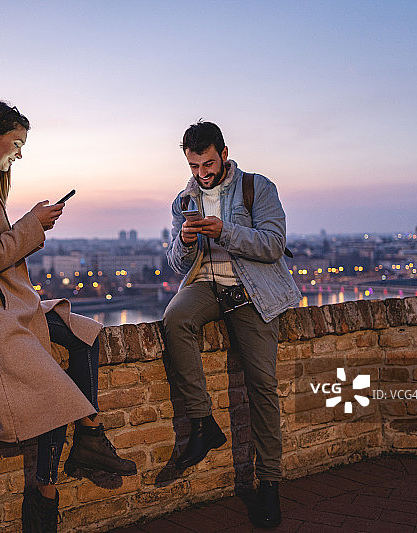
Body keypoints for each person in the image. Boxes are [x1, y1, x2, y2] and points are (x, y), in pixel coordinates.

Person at [0, 101, 136, 533]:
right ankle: (45, 497)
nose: (19, 154)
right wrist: (32, 223)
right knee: (53, 395)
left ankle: (91, 438)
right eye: (17, 143)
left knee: (85, 335)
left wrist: (30, 225)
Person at [162, 120, 301, 528]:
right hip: (207, 285)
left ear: (224, 154)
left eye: (208, 164)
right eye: (194, 167)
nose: (202, 174)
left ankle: (269, 484)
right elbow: (175, 262)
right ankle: (203, 423)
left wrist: (226, 231)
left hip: (251, 289)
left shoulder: (257, 188)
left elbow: (274, 244)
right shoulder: (183, 199)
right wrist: (186, 242)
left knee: (261, 386)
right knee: (174, 319)